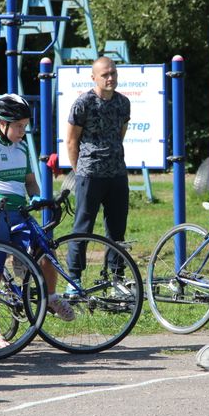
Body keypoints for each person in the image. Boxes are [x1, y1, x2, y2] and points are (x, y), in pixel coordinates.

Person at [0, 94, 74, 350]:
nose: (22, 131)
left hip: (20, 213)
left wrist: (38, 197)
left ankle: (51, 296)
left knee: (46, 252)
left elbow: (30, 181)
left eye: (25, 126)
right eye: (18, 126)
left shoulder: (22, 147)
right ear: (1, 123)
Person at [65, 56, 131, 287]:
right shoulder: (83, 103)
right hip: (89, 175)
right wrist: (80, 170)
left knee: (117, 230)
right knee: (83, 228)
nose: (110, 78)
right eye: (105, 74)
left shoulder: (123, 103)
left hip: (117, 174)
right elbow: (71, 141)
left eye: (113, 73)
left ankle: (117, 278)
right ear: (94, 77)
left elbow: (120, 134)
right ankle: (74, 279)